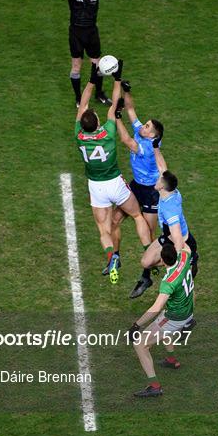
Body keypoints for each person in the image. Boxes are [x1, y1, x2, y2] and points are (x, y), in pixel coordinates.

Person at [75, 61, 151, 283]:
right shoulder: (108, 131)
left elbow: (83, 104)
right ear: (97, 121)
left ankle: (112, 257)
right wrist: (116, 78)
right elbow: (114, 103)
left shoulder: (78, 134)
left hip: (96, 188)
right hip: (115, 184)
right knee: (136, 215)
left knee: (103, 230)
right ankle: (149, 250)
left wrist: (92, 78)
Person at [103, 81, 163, 287]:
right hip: (135, 186)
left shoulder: (146, 147)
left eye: (147, 126)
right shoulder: (143, 133)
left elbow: (127, 141)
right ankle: (115, 258)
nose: (142, 126)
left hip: (150, 193)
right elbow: (131, 109)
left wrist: (117, 118)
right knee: (114, 221)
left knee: (149, 234)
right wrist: (126, 91)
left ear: (153, 135)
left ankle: (146, 277)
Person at [130, 141, 199, 298]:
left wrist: (176, 264)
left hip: (181, 243)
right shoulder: (169, 190)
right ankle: (147, 279)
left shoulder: (170, 211)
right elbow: (162, 166)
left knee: (177, 287)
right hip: (168, 238)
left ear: (162, 187)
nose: (157, 179)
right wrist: (155, 148)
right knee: (145, 262)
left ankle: (192, 260)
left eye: (159, 180)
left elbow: (178, 240)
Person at [127, 242, 196, 397]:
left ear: (163, 261)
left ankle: (155, 386)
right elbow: (185, 244)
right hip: (188, 309)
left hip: (175, 317)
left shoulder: (168, 282)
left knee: (140, 344)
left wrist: (136, 324)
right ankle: (171, 360)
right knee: (163, 323)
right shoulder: (185, 256)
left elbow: (156, 307)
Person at [54, 0, 121, 107]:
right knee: (76, 66)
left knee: (96, 66)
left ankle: (98, 94)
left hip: (91, 32)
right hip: (76, 33)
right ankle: (79, 98)